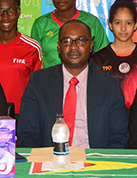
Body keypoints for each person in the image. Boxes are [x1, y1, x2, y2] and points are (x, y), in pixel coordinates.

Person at [18, 20, 128, 148]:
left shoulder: (110, 87)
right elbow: (26, 134)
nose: (74, 47)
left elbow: (119, 137)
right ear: (59, 47)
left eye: (81, 41)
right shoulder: (39, 82)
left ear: (91, 45)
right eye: (67, 41)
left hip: (94, 160)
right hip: (50, 160)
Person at [30, 0, 110, 68]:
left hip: (82, 82)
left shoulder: (92, 22)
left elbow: (105, 59)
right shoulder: (40, 24)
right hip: (49, 82)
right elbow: (33, 62)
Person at [90, 0, 137, 108]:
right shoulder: (99, 59)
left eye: (128, 23)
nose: (123, 28)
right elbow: (95, 97)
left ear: (135, 25)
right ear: (110, 25)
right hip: (108, 121)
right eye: (118, 23)